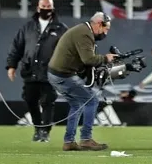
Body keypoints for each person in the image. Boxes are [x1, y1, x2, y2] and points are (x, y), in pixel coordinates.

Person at [47, 12, 115, 152]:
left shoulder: (82, 30)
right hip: (63, 75)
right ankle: (86, 139)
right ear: (98, 24)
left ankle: (69, 142)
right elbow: (88, 59)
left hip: (56, 73)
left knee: (77, 104)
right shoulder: (85, 34)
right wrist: (105, 58)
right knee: (92, 100)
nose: (106, 32)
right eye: (105, 28)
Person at [6, 0, 67, 142]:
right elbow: (17, 47)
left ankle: (46, 131)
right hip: (30, 71)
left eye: (48, 6)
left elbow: (67, 51)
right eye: (43, 6)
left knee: (48, 102)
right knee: (30, 100)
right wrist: (11, 66)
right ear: (38, 7)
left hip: (50, 72)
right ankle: (37, 128)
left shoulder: (61, 29)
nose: (46, 9)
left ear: (53, 8)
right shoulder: (28, 27)